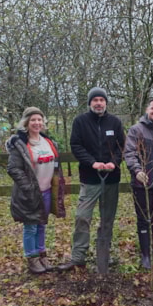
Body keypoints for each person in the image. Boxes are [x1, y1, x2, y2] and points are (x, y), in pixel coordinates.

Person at [60, 87, 125, 274]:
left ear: (106, 103)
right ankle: (78, 257)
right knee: (82, 216)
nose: (98, 103)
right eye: (95, 100)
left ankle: (103, 255)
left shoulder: (115, 122)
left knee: (107, 219)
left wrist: (114, 162)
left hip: (111, 178)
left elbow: (122, 146)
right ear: (90, 103)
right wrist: (92, 163)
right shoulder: (80, 121)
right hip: (90, 178)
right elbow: (76, 145)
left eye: (101, 100)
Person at [6, 106, 66, 274]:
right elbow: (13, 169)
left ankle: (42, 254)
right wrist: (29, 187)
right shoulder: (19, 144)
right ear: (26, 123)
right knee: (30, 226)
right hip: (30, 193)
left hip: (47, 191)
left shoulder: (48, 142)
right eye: (33, 120)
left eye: (39, 120)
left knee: (41, 225)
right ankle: (31, 258)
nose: (37, 123)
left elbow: (55, 165)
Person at [124, 98, 153, 269]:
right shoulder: (136, 130)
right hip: (141, 184)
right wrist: (137, 170)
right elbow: (129, 153)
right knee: (144, 218)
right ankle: (145, 254)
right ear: (147, 109)